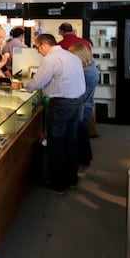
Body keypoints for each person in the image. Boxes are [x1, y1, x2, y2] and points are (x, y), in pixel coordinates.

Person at [13, 33, 85, 194]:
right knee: (71, 140)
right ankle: (72, 178)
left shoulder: (50, 59)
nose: (38, 51)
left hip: (61, 105)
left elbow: (37, 83)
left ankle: (58, 183)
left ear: (44, 45)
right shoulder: (71, 56)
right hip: (76, 102)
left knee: (56, 142)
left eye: (37, 47)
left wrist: (21, 86)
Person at [68, 43, 99, 177]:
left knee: (80, 136)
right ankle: (84, 161)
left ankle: (82, 164)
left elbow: (80, 94)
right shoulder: (90, 68)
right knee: (82, 136)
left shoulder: (87, 73)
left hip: (82, 108)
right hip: (85, 107)